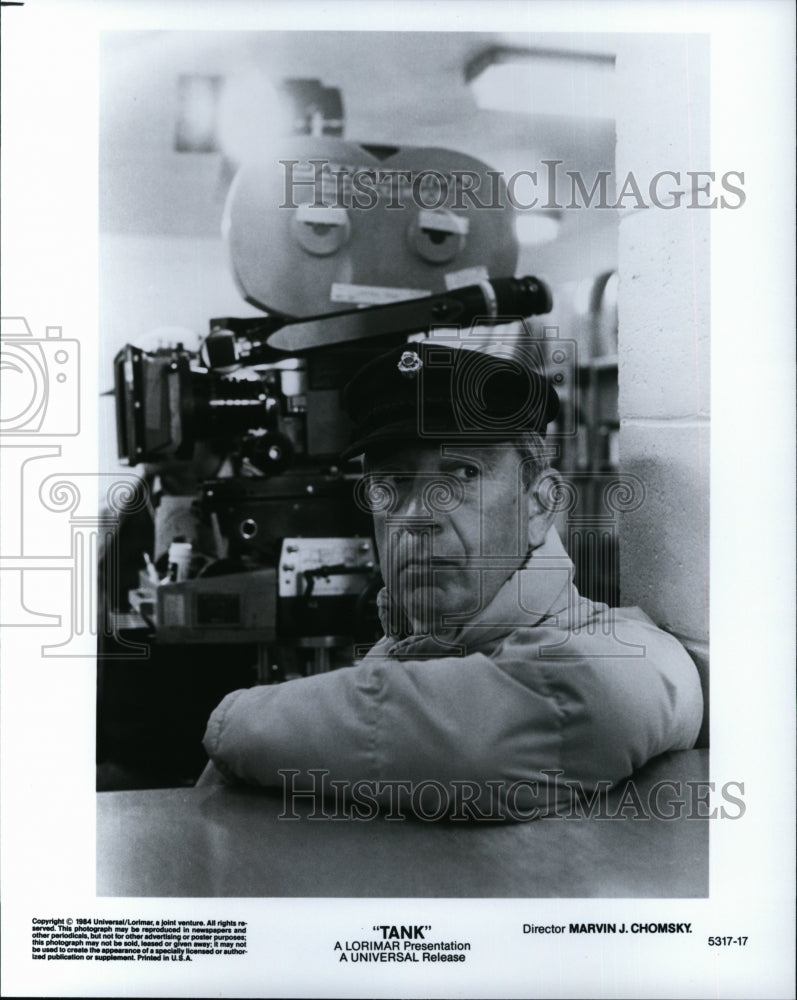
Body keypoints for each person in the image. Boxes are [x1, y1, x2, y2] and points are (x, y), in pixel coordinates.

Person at [200, 340, 703, 819]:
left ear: (540, 504)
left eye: (462, 474)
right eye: (391, 483)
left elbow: (523, 723)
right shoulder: (393, 657)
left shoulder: (629, 654)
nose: (418, 515)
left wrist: (230, 724)